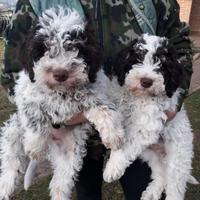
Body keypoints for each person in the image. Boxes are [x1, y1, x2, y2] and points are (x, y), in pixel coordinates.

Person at [0, 0, 193, 199]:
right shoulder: (35, 2)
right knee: (82, 191)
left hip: (135, 124)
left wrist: (173, 101)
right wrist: (58, 117)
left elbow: (178, 45)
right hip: (76, 133)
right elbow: (13, 72)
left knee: (145, 191)